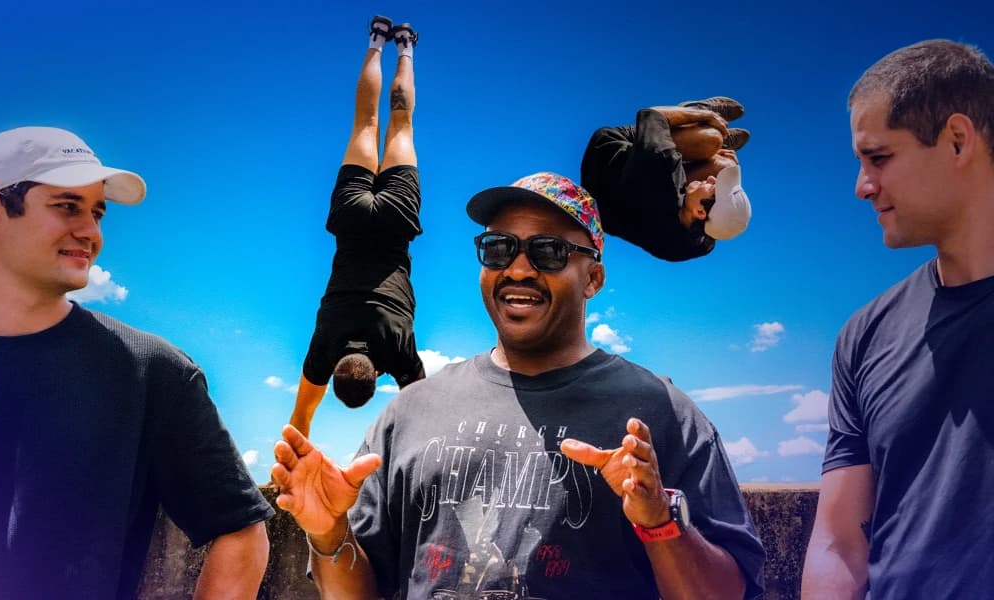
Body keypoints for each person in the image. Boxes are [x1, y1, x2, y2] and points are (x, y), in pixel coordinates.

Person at [272, 171, 765, 598]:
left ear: (593, 278)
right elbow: (360, 591)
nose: (519, 269)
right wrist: (329, 531)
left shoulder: (660, 411)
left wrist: (659, 522)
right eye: (498, 248)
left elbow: (731, 591)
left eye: (549, 252)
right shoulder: (411, 410)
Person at [0, 126, 275, 598]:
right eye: (67, 206)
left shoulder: (150, 370)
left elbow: (241, 531)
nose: (90, 232)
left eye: (96, 213)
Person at [802, 39, 994, 599]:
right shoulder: (865, 335)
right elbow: (840, 546)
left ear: (957, 139)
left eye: (879, 158)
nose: (863, 186)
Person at [289, 15, 425, 437]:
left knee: (401, 124)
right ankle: (377, 41)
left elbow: (423, 406)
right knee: (365, 121)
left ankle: (405, 46)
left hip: (396, 223)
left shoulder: (397, 352)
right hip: (351, 220)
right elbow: (300, 418)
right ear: (334, 371)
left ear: (378, 376)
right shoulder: (324, 349)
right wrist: (294, 449)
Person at [581, 97, 752, 262]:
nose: (712, 180)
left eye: (714, 188)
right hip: (611, 210)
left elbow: (650, 114)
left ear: (700, 212)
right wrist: (727, 218)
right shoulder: (699, 243)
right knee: (726, 166)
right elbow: (722, 227)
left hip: (603, 160)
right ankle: (692, 150)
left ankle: (695, 113)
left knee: (711, 139)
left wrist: (707, 116)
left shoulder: (662, 170)